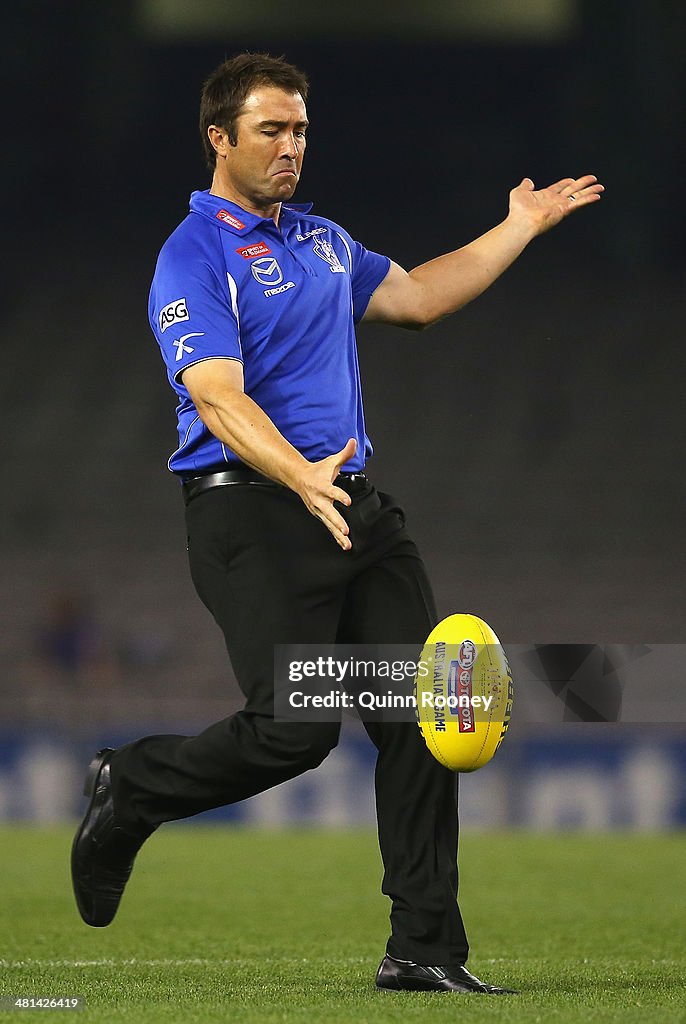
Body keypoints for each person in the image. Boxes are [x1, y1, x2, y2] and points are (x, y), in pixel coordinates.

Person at [71, 52, 603, 994]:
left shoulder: (322, 242)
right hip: (250, 513)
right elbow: (217, 397)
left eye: (301, 130)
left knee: (423, 712)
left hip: (354, 509)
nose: (290, 147)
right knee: (293, 730)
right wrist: (297, 477)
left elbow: (421, 298)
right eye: (270, 130)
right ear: (219, 138)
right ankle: (131, 788)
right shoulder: (193, 255)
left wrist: (517, 226)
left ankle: (424, 951)